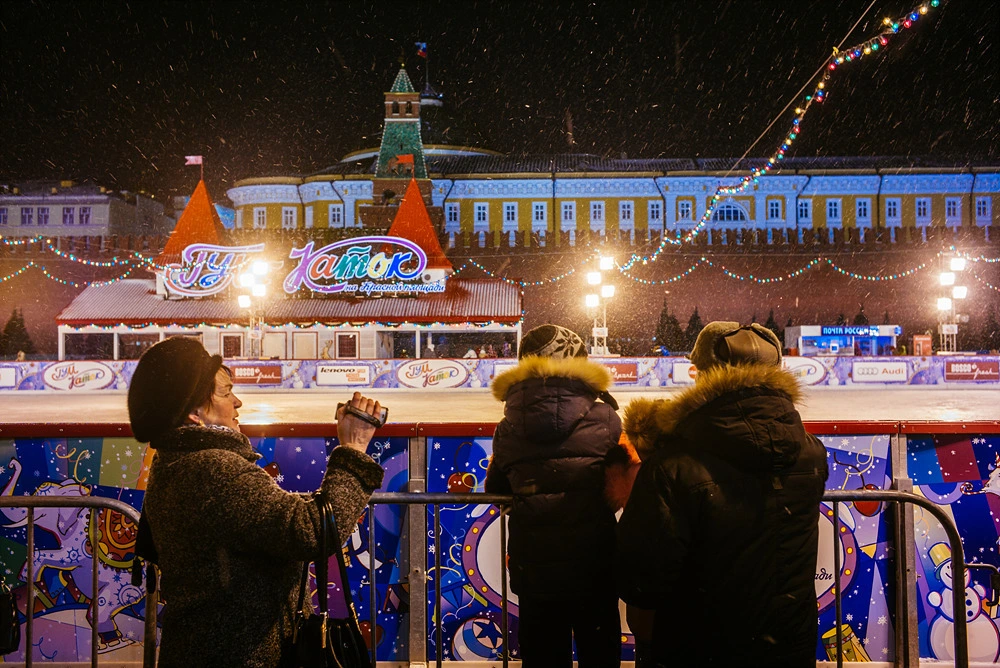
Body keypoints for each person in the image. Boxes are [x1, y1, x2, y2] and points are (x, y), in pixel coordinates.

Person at [127, 337, 385, 668]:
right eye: (225, 393)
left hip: (204, 648)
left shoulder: (177, 461)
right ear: (194, 413)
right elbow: (311, 533)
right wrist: (353, 449)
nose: (237, 402)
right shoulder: (215, 469)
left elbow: (260, 518)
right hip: (238, 653)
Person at [616, 322, 828, 667]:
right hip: (789, 641)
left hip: (701, 646)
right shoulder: (811, 452)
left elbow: (644, 579)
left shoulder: (675, 463)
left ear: (703, 376)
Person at [485, 324, 623, 668]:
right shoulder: (606, 419)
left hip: (535, 569)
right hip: (594, 565)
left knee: (543, 657)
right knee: (599, 655)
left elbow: (497, 491)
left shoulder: (508, 427)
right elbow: (619, 485)